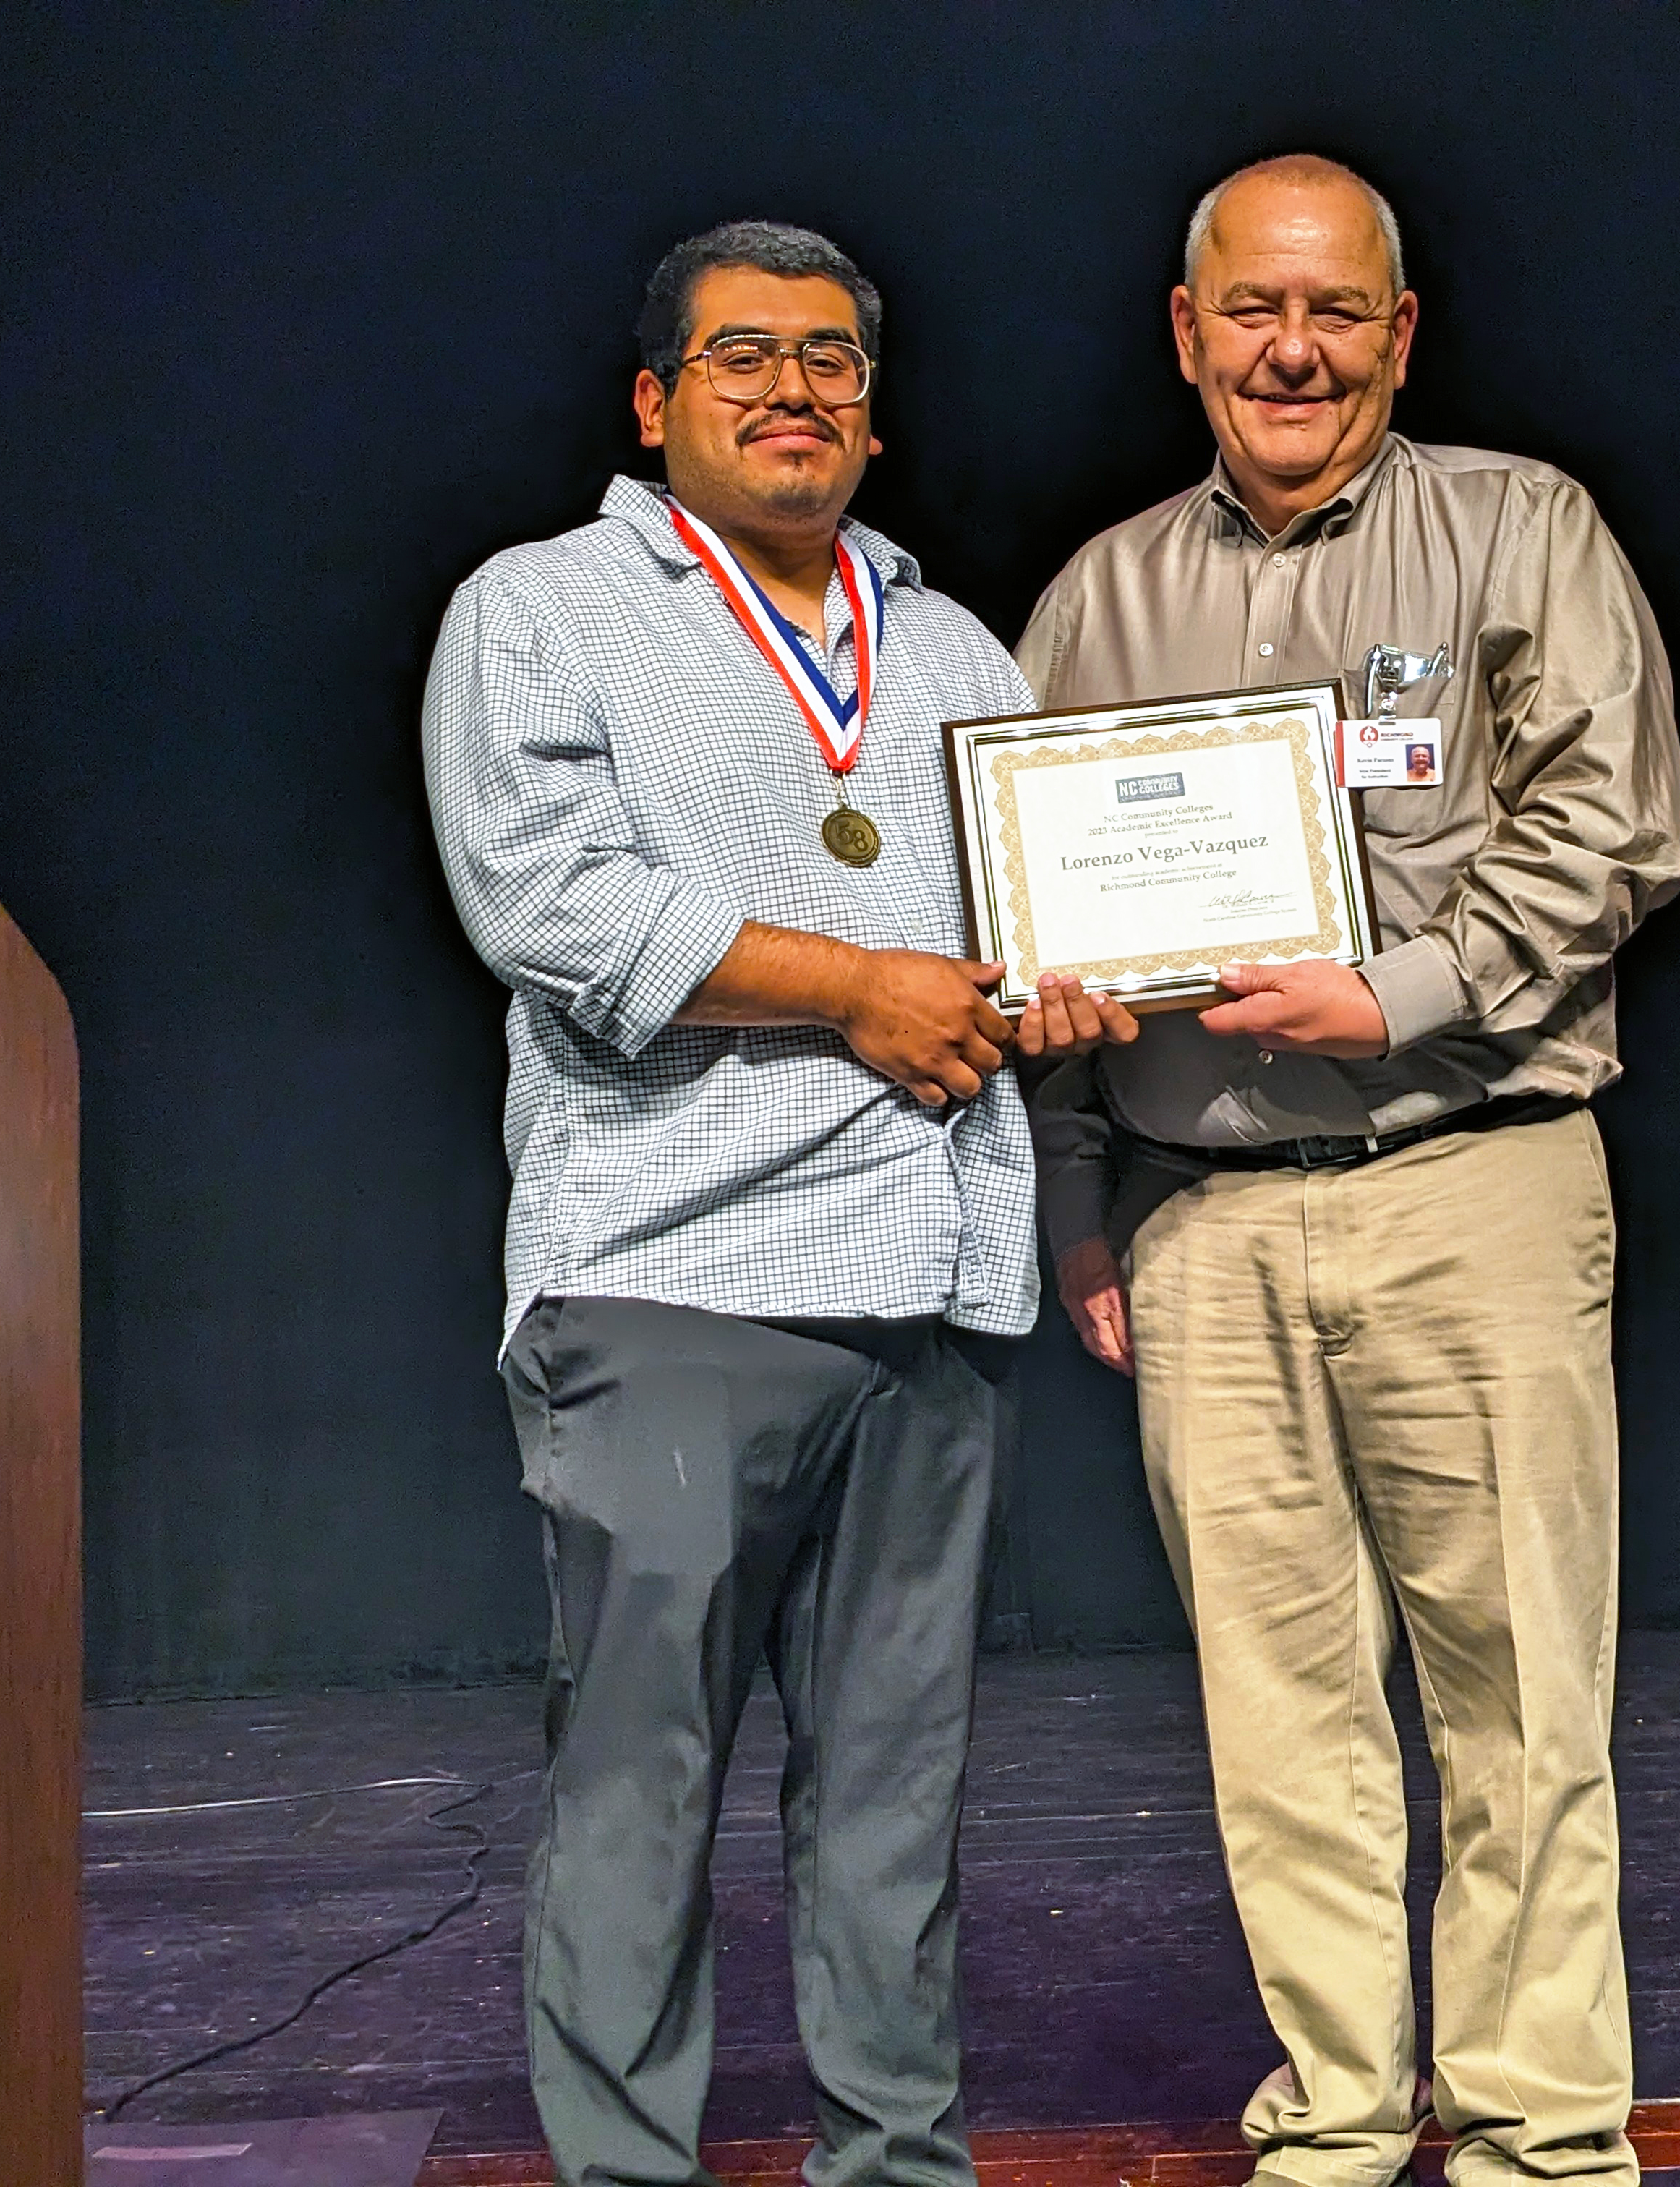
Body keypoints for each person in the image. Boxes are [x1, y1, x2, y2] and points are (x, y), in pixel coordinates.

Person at [423, 219, 1130, 2187]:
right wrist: (862, 986)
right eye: (743, 356)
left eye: (830, 359)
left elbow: (1028, 934)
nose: (793, 389)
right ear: (655, 404)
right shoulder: (545, 608)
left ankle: (898, 2168)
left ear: (876, 415)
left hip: (931, 1284)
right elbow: (550, 904)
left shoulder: (954, 644)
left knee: (897, 1798)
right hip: (669, 1282)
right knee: (641, 1785)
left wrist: (1056, 986)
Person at [1016, 156, 1680, 2187]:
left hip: (1467, 1174)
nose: (1289, 349)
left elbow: (1613, 826)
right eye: (1251, 310)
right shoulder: (1097, 596)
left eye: (1333, 312)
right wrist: (1074, 1209)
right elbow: (1028, 932)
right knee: (1278, 1717)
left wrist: (1396, 992)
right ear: (1187, 329)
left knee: (1518, 1700)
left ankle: (1542, 2135)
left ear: (1400, 334)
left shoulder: (1523, 528)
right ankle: (1331, 2120)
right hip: (1201, 1221)